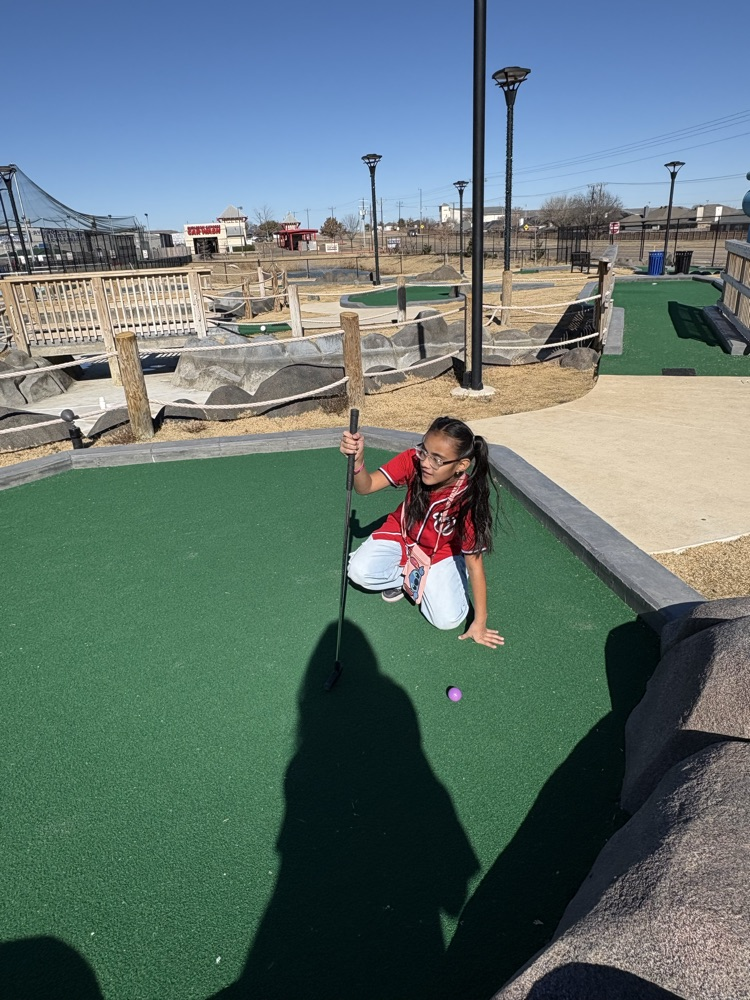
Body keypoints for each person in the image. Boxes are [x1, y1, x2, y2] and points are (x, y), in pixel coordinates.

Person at [340, 416, 504, 649]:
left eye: (438, 459)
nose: (426, 462)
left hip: (442, 554)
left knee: (447, 620)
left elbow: (475, 564)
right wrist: (358, 461)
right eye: (424, 452)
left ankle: (422, 578)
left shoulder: (469, 498)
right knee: (358, 572)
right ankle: (408, 578)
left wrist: (480, 621)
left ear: (461, 465)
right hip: (401, 534)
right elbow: (366, 487)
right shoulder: (413, 460)